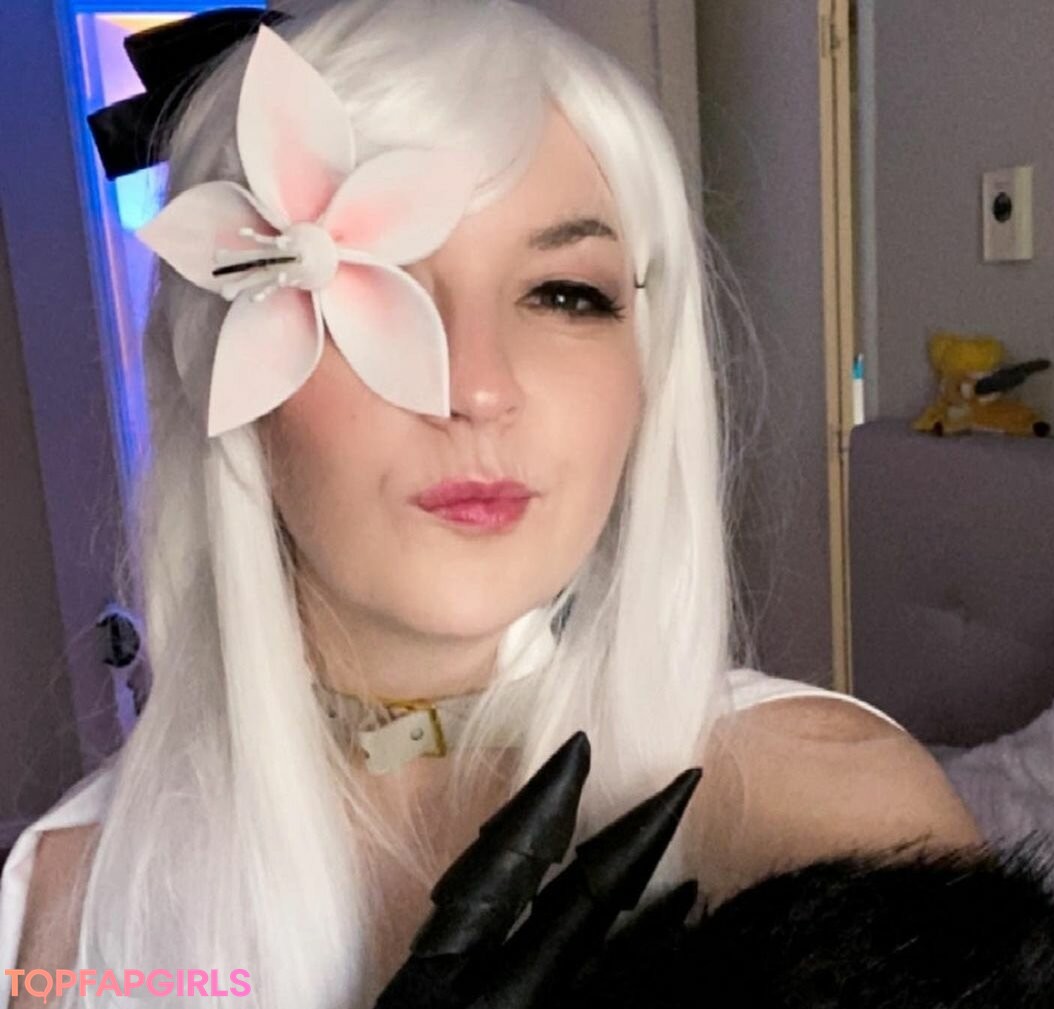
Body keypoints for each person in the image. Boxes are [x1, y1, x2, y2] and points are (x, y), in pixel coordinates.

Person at [0, 2, 982, 1008]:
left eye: (565, 293)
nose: (474, 386)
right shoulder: (64, 918)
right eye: (371, 287)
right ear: (218, 366)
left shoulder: (841, 828)